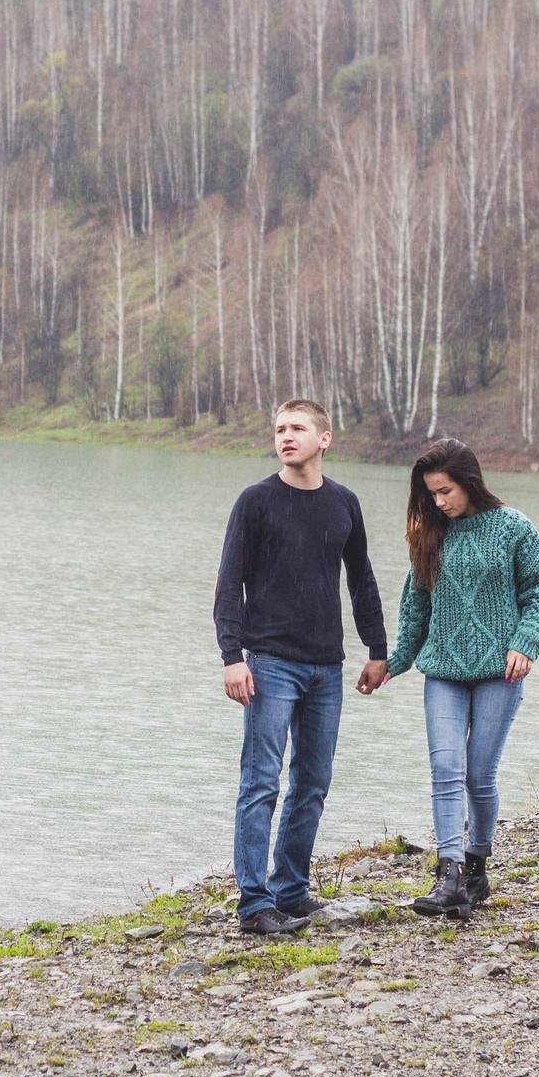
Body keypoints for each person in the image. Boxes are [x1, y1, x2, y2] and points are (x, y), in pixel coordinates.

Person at [213, 399, 388, 936]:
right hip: (267, 664)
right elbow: (228, 583)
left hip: (326, 668)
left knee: (312, 781)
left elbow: (361, 580)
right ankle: (253, 904)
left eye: (297, 429)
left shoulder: (344, 503)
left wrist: (378, 650)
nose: (285, 437)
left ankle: (291, 890)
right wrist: (232, 657)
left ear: (324, 438)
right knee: (261, 782)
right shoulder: (256, 500)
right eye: (279, 430)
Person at [379, 438, 539, 918]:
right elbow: (415, 608)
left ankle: (476, 867)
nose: (438, 502)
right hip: (442, 672)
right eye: (431, 494)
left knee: (479, 775)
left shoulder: (514, 528)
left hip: (501, 671)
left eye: (444, 491)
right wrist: (393, 663)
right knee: (446, 770)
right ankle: (449, 875)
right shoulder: (429, 535)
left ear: (468, 481)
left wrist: (526, 642)